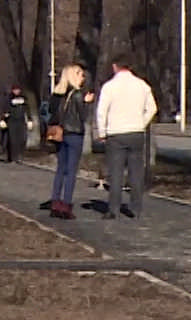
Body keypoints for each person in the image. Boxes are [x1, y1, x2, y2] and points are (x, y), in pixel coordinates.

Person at [93, 56, 158, 220]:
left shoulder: (109, 87)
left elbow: (102, 111)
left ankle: (113, 209)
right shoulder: (142, 85)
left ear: (115, 67)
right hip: (136, 133)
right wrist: (141, 123)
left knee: (116, 172)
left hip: (116, 134)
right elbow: (152, 108)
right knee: (136, 172)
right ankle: (135, 208)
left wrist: (102, 132)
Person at [46, 65, 97, 219]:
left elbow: (50, 111)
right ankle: (66, 205)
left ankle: (55, 201)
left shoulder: (58, 93)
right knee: (71, 171)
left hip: (60, 134)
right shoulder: (77, 95)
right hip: (74, 134)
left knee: (61, 168)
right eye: (81, 75)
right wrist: (87, 103)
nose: (83, 78)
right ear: (74, 76)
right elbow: (83, 117)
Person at [0, 84, 29, 163]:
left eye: (18, 89)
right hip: (11, 121)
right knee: (11, 139)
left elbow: (27, 109)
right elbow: (5, 109)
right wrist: (3, 119)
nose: (16, 91)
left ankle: (19, 156)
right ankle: (10, 157)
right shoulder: (9, 98)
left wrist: (29, 120)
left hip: (21, 121)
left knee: (21, 139)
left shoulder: (23, 98)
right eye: (15, 90)